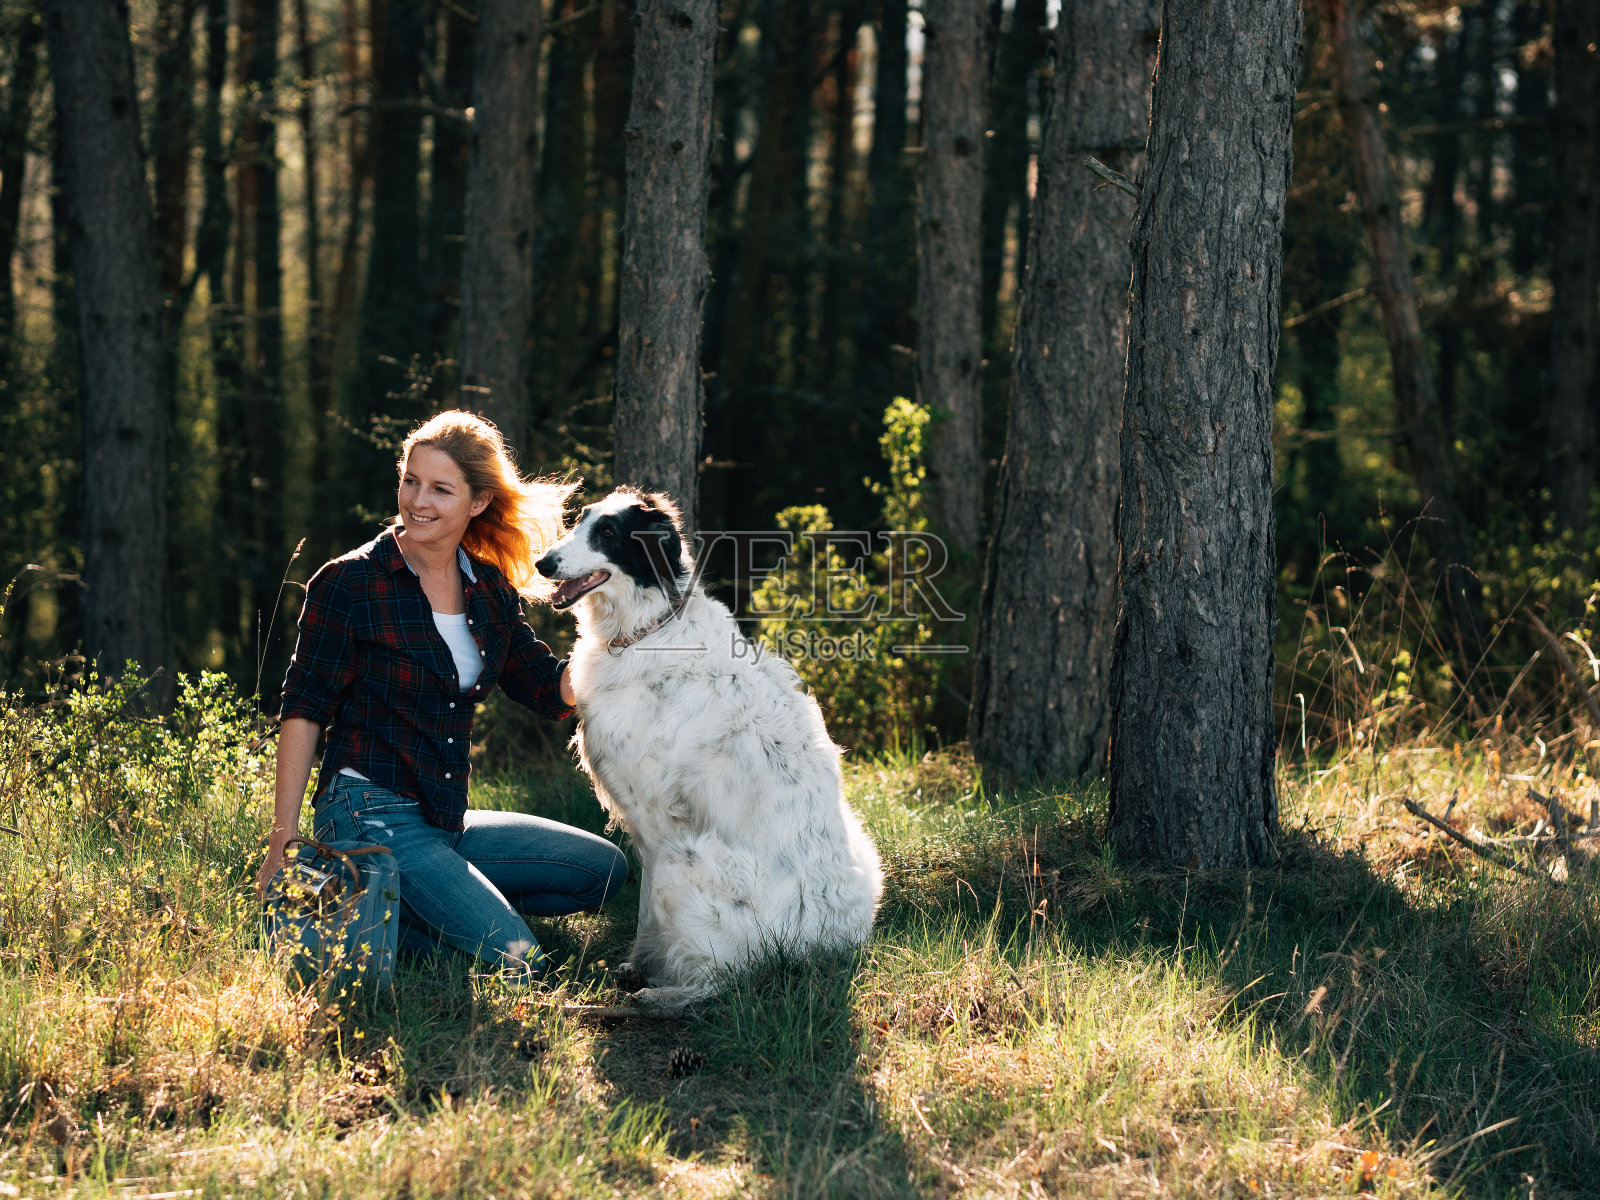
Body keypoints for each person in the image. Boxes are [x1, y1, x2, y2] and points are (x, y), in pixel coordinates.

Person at [257, 410, 626, 980]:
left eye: (439, 489)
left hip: (445, 819)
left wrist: (627, 642)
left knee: (604, 871)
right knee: (520, 963)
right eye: (410, 481)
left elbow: (545, 684)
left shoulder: (487, 587)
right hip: (366, 815)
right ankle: (396, 907)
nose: (417, 501)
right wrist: (283, 833)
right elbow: (304, 708)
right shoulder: (350, 582)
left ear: (477, 503)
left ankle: (398, 908)